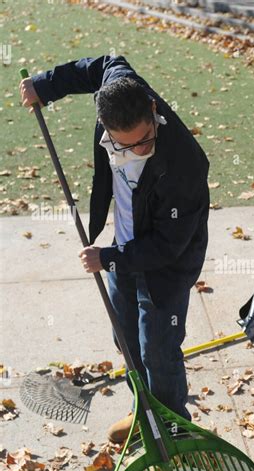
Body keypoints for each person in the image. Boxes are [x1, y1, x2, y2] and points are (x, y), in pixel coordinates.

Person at [20, 55, 210, 442]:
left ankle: (173, 427)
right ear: (105, 125)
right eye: (126, 145)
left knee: (158, 345)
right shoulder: (117, 85)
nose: (139, 150)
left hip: (167, 263)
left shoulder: (185, 165)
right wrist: (45, 86)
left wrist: (107, 257)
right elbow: (101, 63)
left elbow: (168, 246)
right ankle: (143, 412)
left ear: (153, 109)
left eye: (144, 140)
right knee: (124, 334)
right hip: (125, 244)